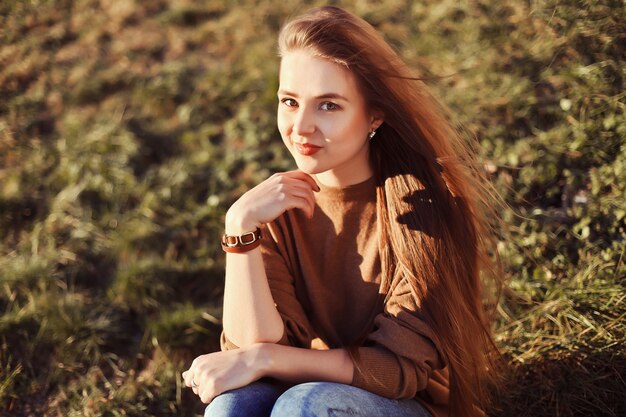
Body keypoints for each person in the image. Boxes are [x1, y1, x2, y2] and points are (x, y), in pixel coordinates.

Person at [182, 5, 502, 417]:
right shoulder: (273, 210)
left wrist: (264, 359)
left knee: (305, 405)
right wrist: (240, 228)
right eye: (290, 101)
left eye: (328, 106)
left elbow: (396, 372)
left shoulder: (425, 207)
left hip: (407, 405)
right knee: (232, 406)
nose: (301, 128)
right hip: (304, 394)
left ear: (374, 115)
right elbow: (252, 346)